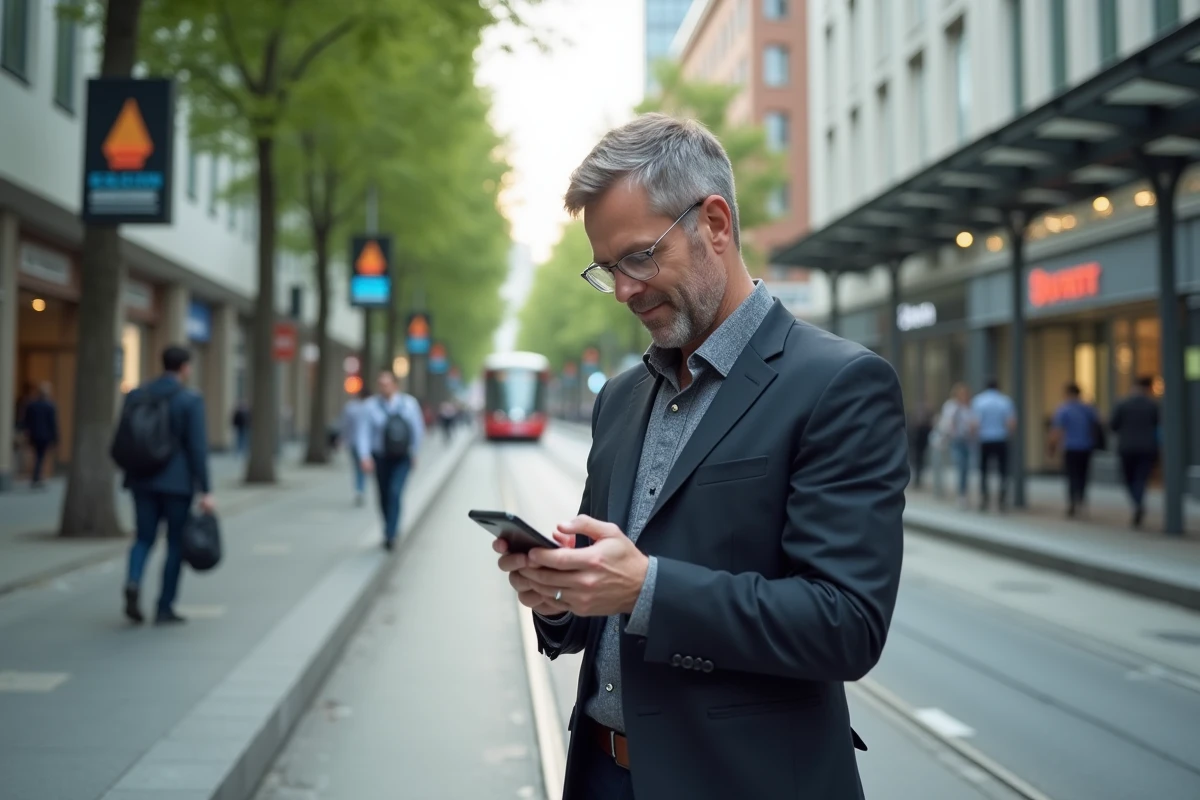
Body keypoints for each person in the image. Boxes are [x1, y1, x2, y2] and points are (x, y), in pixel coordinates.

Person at [494, 114, 909, 800]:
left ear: (715, 223)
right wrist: (562, 594)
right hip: (600, 776)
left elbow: (846, 624)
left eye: (639, 257)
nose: (624, 289)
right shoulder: (621, 399)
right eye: (607, 268)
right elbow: (610, 590)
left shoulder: (838, 384)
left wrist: (647, 588)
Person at [120, 346, 214, 625]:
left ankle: (133, 581)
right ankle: (164, 607)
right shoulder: (189, 400)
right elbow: (197, 448)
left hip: (142, 480)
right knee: (175, 544)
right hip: (177, 484)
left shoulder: (137, 395)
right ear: (185, 367)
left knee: (143, 538)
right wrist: (206, 489)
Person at [355, 371, 425, 550]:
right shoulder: (370, 406)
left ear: (395, 384)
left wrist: (415, 452)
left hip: (402, 457)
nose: (384, 387)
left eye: (387, 383)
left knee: (395, 492)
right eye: (381, 384)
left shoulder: (409, 404)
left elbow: (417, 429)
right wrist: (364, 456)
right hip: (380, 457)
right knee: (384, 494)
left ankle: (391, 533)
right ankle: (388, 527)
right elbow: (363, 433)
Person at [1110, 376, 1160, 527]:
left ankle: (1137, 502)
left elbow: (1113, 425)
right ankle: (1139, 502)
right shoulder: (1153, 405)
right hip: (1147, 447)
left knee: (1128, 478)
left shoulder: (1123, 404)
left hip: (1127, 447)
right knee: (1141, 478)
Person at [1049, 383, 1102, 518]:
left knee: (1072, 475)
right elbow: (1097, 425)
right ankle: (1081, 499)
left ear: (1067, 393)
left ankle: (1072, 501)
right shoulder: (1088, 408)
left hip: (1070, 447)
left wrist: (1052, 446)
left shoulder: (1064, 409)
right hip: (1086, 446)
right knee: (1083, 475)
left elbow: (1058, 430)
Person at [971, 378, 1017, 512]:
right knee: (1003, 470)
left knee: (984, 470)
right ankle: (1002, 498)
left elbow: (975, 423)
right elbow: (1011, 423)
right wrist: (1009, 435)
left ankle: (984, 498)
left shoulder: (979, 401)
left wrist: (975, 437)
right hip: (1001, 439)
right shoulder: (1005, 401)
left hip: (984, 439)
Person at [937, 383, 974, 509]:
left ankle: (963, 493)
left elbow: (972, 422)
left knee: (966, 468)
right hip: (955, 440)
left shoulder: (968, 407)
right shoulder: (951, 406)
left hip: (967, 440)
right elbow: (947, 422)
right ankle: (961, 494)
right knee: (961, 465)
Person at [22, 383, 58, 487]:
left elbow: (26, 422)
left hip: (34, 435)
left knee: (37, 456)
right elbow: (53, 423)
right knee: (40, 457)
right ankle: (36, 477)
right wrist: (56, 438)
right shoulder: (50, 406)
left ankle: (36, 476)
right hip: (45, 436)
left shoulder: (31, 405)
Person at [340, 388, 370, 506]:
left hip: (352, 442)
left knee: (357, 467)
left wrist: (343, 439)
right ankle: (360, 489)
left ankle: (359, 489)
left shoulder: (350, 407)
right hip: (363, 444)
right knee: (361, 468)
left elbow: (345, 425)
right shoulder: (370, 408)